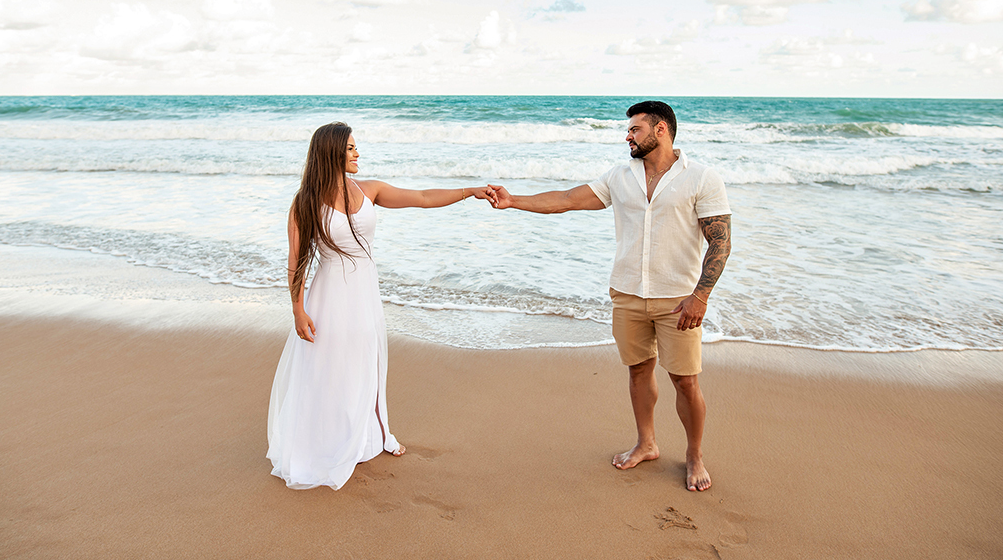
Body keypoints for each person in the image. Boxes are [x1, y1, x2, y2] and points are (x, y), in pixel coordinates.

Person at [487, 101, 731, 491]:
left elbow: (720, 241)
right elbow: (567, 200)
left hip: (678, 299)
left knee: (685, 381)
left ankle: (694, 455)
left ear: (661, 130)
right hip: (627, 293)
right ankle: (646, 443)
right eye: (628, 130)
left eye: (635, 129)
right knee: (638, 370)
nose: (628, 136)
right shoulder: (619, 176)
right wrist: (514, 200)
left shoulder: (701, 177)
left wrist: (700, 296)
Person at [267, 122, 493, 490]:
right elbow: (296, 262)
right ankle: (328, 442)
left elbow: (421, 197)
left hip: (364, 294)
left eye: (357, 147)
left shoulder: (368, 189)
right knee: (331, 369)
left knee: (366, 362)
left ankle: (373, 433)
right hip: (328, 298)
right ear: (332, 153)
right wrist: (298, 309)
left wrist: (470, 191)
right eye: (351, 148)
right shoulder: (304, 202)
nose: (358, 153)